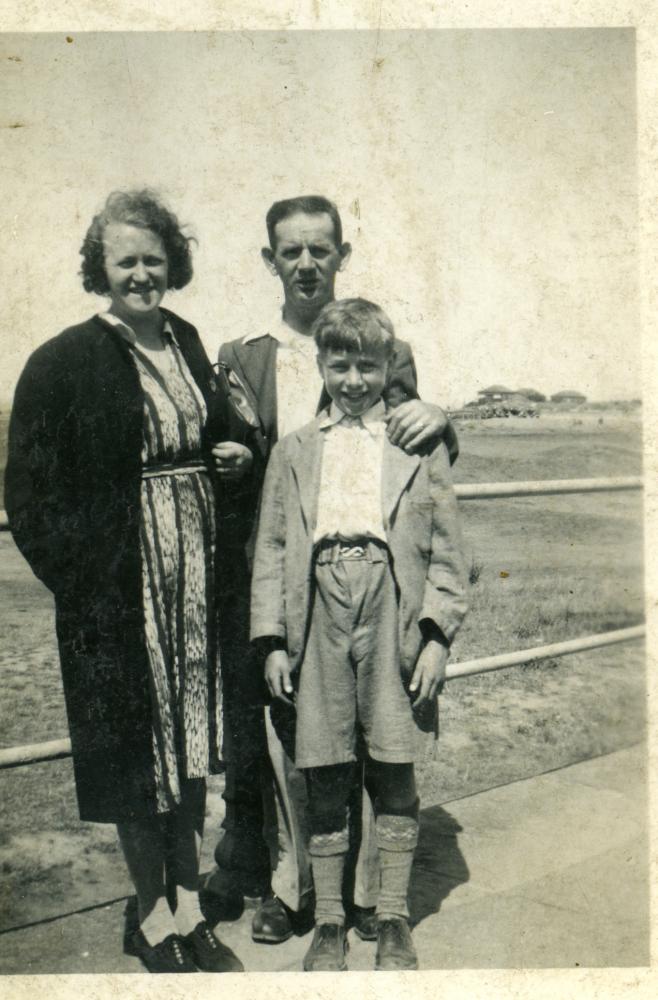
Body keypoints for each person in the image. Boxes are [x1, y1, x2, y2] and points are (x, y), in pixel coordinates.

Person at [4, 190, 251, 974]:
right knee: (139, 762)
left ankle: (186, 906)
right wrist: (84, 581)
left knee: (184, 759)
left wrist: (237, 448)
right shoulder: (62, 358)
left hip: (195, 587)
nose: (142, 274)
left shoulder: (184, 337)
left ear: (171, 264)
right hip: (121, 597)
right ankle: (150, 916)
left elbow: (219, 426)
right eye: (126, 262)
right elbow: (28, 497)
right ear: (100, 271)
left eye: (153, 259)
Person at [206, 195, 460, 945]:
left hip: (374, 584)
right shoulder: (243, 356)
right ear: (271, 260)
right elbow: (227, 457)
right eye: (292, 251)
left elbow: (417, 458)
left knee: (376, 744)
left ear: (340, 255)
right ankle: (297, 892)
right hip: (281, 576)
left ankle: (372, 903)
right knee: (297, 745)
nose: (307, 263)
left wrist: (441, 416)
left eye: (322, 249)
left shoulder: (383, 347)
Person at [250, 298, 468, 971]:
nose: (352, 380)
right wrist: (273, 640)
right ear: (321, 364)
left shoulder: (415, 445)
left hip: (392, 606)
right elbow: (272, 547)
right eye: (339, 365)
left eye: (366, 366)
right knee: (324, 767)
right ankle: (329, 921)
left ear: (386, 368)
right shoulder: (295, 451)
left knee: (394, 762)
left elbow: (449, 553)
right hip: (317, 610)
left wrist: (434, 637)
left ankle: (395, 917)